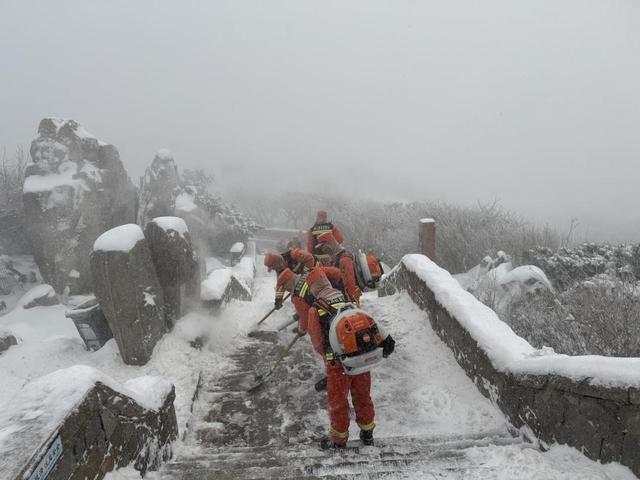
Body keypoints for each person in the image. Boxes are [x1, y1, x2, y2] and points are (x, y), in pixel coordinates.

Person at [279, 267, 395, 449]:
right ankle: (367, 434)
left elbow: (317, 342)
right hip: (360, 357)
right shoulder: (346, 298)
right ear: (326, 282)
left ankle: (339, 441)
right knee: (363, 396)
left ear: (314, 289)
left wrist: (329, 355)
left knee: (338, 402)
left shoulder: (316, 308)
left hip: (338, 364)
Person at [315, 231, 362, 306]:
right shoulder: (335, 258)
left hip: (348, 301)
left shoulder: (344, 259)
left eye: (323, 247)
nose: (323, 250)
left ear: (330, 244)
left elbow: (349, 283)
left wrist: (351, 302)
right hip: (341, 297)